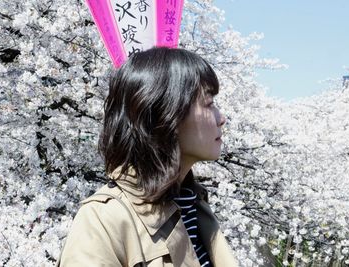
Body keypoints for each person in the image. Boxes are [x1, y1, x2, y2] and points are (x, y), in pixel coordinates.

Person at [57, 47, 238, 266]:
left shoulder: (194, 205)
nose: (222, 118)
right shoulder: (103, 220)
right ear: (165, 113)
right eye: (209, 104)